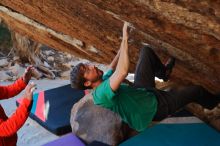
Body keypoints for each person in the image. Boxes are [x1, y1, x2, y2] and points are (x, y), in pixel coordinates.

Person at [70, 22, 219, 132]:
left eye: (87, 65)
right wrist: (124, 39)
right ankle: (213, 104)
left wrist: (122, 46)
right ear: (88, 82)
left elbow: (111, 67)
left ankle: (163, 74)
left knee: (146, 52)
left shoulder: (102, 80)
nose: (92, 66)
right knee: (196, 91)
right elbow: (122, 72)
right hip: (152, 109)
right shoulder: (101, 95)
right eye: (87, 70)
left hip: (140, 91)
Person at [0, 66, 36, 146]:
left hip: (9, 141)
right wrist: (26, 102)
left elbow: (8, 91)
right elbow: (6, 128)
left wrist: (23, 81)